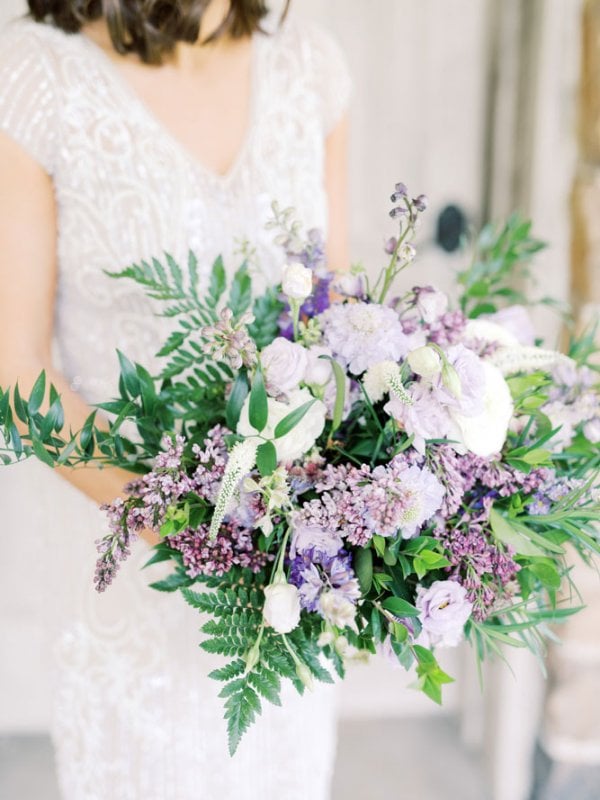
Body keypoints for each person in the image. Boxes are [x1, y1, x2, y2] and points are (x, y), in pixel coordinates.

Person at [0, 1, 351, 797]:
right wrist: (196, 534)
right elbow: (16, 376)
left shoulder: (310, 63)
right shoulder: (32, 79)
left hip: (286, 580)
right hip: (128, 561)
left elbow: (338, 327)